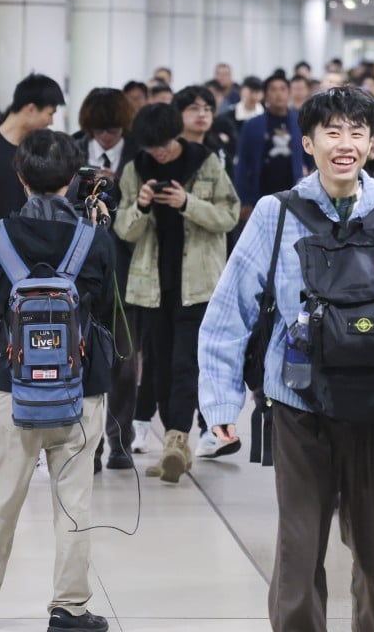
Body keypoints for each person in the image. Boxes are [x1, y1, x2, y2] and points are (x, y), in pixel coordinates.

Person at [197, 86, 374, 631]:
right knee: (299, 548)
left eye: (357, 132)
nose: (345, 143)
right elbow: (229, 310)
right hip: (298, 403)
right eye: (332, 132)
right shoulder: (275, 214)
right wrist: (219, 401)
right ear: (308, 143)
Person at [0, 129, 116, 632]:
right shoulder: (94, 239)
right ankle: (69, 609)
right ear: (73, 180)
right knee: (74, 501)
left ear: (21, 176)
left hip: (13, 385)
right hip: (81, 387)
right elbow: (106, 306)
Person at [115, 103, 240, 483]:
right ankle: (178, 446)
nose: (159, 153)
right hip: (153, 286)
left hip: (197, 284)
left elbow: (229, 215)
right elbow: (123, 228)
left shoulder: (205, 163)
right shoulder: (135, 169)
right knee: (158, 366)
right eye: (152, 148)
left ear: (176, 135)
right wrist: (141, 206)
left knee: (186, 363)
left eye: (164, 146)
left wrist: (188, 203)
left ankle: (176, 437)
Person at [74, 87, 141, 470]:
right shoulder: (70, 151)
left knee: (124, 362)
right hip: (79, 272)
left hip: (126, 271)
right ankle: (89, 447)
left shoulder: (138, 157)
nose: (105, 138)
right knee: (81, 359)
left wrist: (120, 186)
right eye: (99, 130)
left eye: (113, 130)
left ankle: (120, 441)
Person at [0, 74, 65, 228]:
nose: (51, 122)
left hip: (30, 240)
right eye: (50, 114)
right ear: (31, 109)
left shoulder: (40, 151)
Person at [235, 73, 305, 222]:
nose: (278, 94)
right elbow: (243, 163)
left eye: (283, 89)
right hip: (261, 190)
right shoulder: (252, 125)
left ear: (289, 93)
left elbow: (310, 157)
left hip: (293, 190)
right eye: (273, 89)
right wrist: (243, 199)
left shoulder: (300, 122)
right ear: (265, 95)